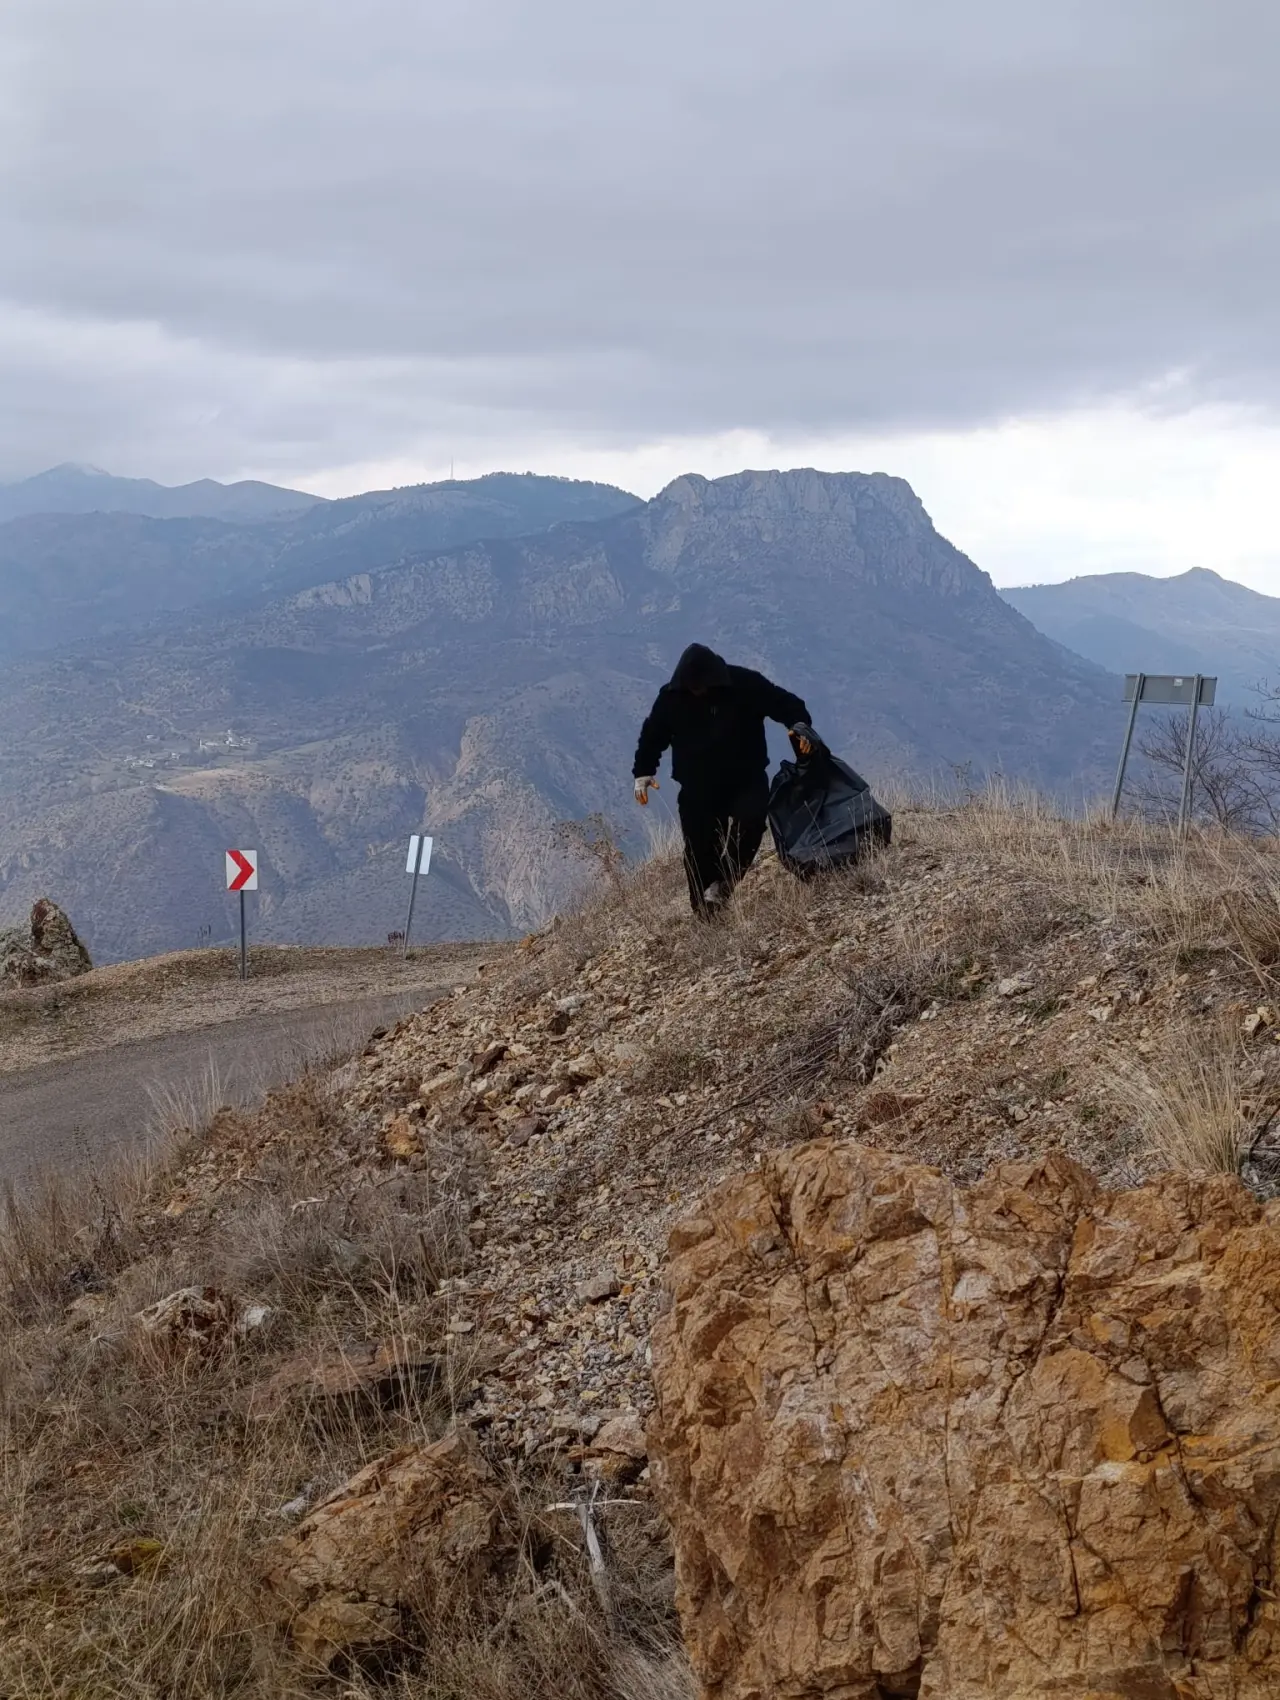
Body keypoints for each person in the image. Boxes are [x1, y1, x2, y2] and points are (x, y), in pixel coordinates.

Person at [633, 643, 812, 916]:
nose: (696, 691)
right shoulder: (671, 697)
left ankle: (724, 883)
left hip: (746, 779)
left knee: (751, 824)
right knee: (699, 848)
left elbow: (786, 704)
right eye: (691, 687)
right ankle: (705, 913)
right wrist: (643, 771)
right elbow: (653, 734)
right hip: (697, 787)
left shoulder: (745, 684)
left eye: (700, 686)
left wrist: (800, 727)